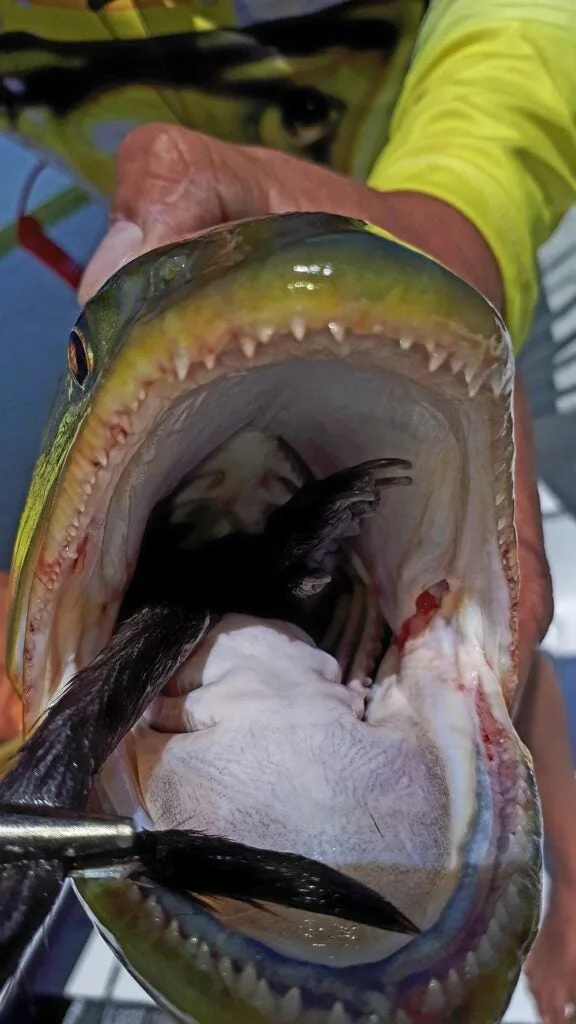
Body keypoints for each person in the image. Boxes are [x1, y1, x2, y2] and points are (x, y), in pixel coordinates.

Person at [0, 1, 575, 1020]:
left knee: (477, 597)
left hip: (448, 235)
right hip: (182, 281)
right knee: (453, 588)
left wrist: (461, 215)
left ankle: (563, 908)